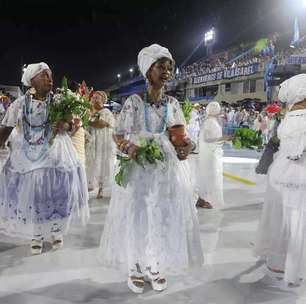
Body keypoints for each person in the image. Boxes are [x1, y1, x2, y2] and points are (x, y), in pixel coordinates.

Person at [99, 44, 203, 293]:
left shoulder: (173, 103)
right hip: (138, 169)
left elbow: (180, 136)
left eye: (170, 67)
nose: (167, 71)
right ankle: (135, 265)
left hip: (164, 169)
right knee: (139, 213)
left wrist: (187, 146)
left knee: (161, 212)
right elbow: (118, 133)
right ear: (147, 71)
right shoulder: (134, 103)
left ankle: (154, 263)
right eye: (161, 66)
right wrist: (128, 148)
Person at [0, 63, 89, 255]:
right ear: (32, 80)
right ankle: (36, 234)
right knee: (35, 195)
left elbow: (74, 126)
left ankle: (56, 230)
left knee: (57, 192)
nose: (50, 79)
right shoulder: (19, 104)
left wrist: (64, 126)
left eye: (50, 76)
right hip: (27, 155)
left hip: (56, 153)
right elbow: (6, 128)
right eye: (44, 76)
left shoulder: (59, 101)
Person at [255, 74, 306, 287]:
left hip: (281, 175)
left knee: (280, 219)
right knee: (295, 223)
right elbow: (297, 151)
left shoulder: (288, 118)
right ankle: (291, 267)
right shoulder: (302, 117)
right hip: (297, 176)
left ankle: (278, 263)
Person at [196, 101, 226, 209]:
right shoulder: (209, 122)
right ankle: (205, 199)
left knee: (212, 175)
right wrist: (223, 138)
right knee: (210, 176)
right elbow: (207, 139)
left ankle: (204, 198)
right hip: (210, 154)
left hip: (214, 152)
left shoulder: (213, 121)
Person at [87, 91, 115, 198]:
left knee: (102, 163)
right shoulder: (90, 112)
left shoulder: (106, 111)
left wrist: (88, 120)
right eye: (93, 98)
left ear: (103, 100)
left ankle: (101, 189)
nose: (94, 100)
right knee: (93, 163)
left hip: (103, 143)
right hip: (94, 142)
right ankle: (92, 184)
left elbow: (101, 124)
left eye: (97, 98)